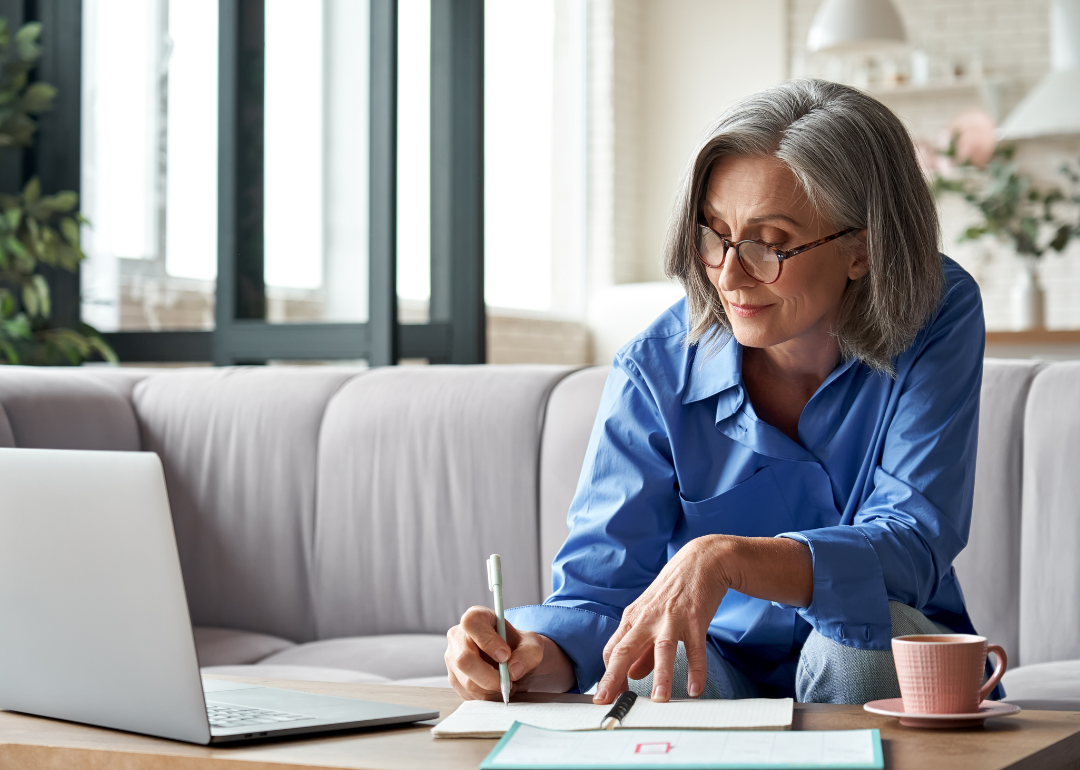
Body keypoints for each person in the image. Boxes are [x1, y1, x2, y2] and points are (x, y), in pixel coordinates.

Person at [445, 78, 990, 706]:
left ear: (862, 250)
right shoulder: (654, 368)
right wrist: (531, 657)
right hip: (718, 663)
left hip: (874, 654)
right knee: (656, 661)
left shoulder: (936, 310)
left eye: (770, 244)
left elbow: (913, 540)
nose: (729, 275)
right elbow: (600, 591)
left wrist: (728, 558)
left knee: (852, 638)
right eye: (713, 235)